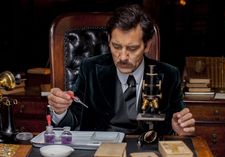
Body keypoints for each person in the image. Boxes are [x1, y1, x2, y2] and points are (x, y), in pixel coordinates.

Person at [48, 4, 195, 136]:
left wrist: (180, 129)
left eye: (132, 48)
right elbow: (72, 120)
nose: (123, 57)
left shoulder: (169, 75)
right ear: (109, 42)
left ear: (147, 45)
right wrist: (60, 111)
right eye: (116, 46)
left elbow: (177, 123)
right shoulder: (90, 69)